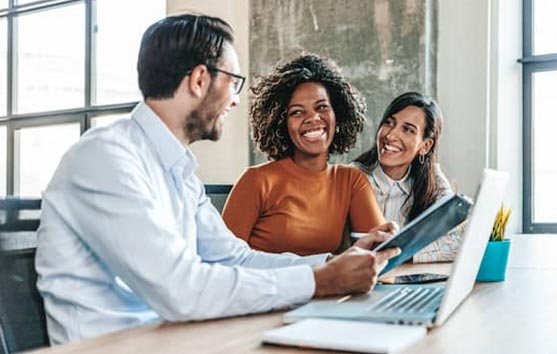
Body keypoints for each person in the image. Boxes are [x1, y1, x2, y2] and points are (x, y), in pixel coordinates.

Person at [35, 14, 399, 345]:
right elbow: (181, 289)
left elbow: (233, 257)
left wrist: (332, 263)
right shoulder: (105, 157)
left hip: (175, 338)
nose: (236, 101)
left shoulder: (177, 169)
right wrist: (320, 282)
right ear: (199, 79)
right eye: (234, 82)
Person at [222, 53, 387, 255]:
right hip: (268, 286)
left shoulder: (350, 181)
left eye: (322, 107)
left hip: (328, 286)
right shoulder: (256, 181)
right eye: (297, 112)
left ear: (338, 114)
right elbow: (223, 262)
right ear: (282, 124)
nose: (313, 118)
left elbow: (381, 259)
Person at [354, 92, 462, 263]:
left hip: (404, 281)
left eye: (408, 130)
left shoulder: (431, 180)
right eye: (389, 123)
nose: (390, 135)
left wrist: (397, 253)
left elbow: (456, 242)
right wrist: (412, 248)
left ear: (425, 146)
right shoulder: (353, 177)